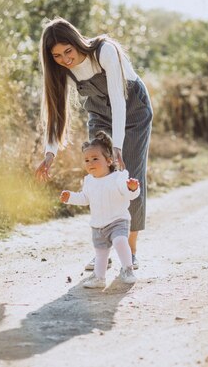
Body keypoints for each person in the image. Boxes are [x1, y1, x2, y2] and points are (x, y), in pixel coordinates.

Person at [35, 17, 153, 271]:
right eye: (57, 56)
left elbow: (119, 101)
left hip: (132, 111)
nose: (65, 59)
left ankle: (129, 251)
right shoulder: (61, 68)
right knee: (100, 177)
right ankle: (103, 250)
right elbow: (56, 113)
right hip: (99, 114)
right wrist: (49, 154)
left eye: (68, 51)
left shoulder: (104, 51)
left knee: (126, 175)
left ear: (78, 42)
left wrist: (118, 147)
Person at [60, 132, 139, 288]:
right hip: (98, 225)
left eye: (95, 159)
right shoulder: (89, 180)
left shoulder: (119, 177)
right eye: (87, 160)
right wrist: (70, 197)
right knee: (101, 253)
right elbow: (85, 198)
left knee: (120, 241)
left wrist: (132, 187)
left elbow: (129, 194)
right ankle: (99, 277)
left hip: (118, 220)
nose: (90, 163)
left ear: (109, 160)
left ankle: (127, 269)